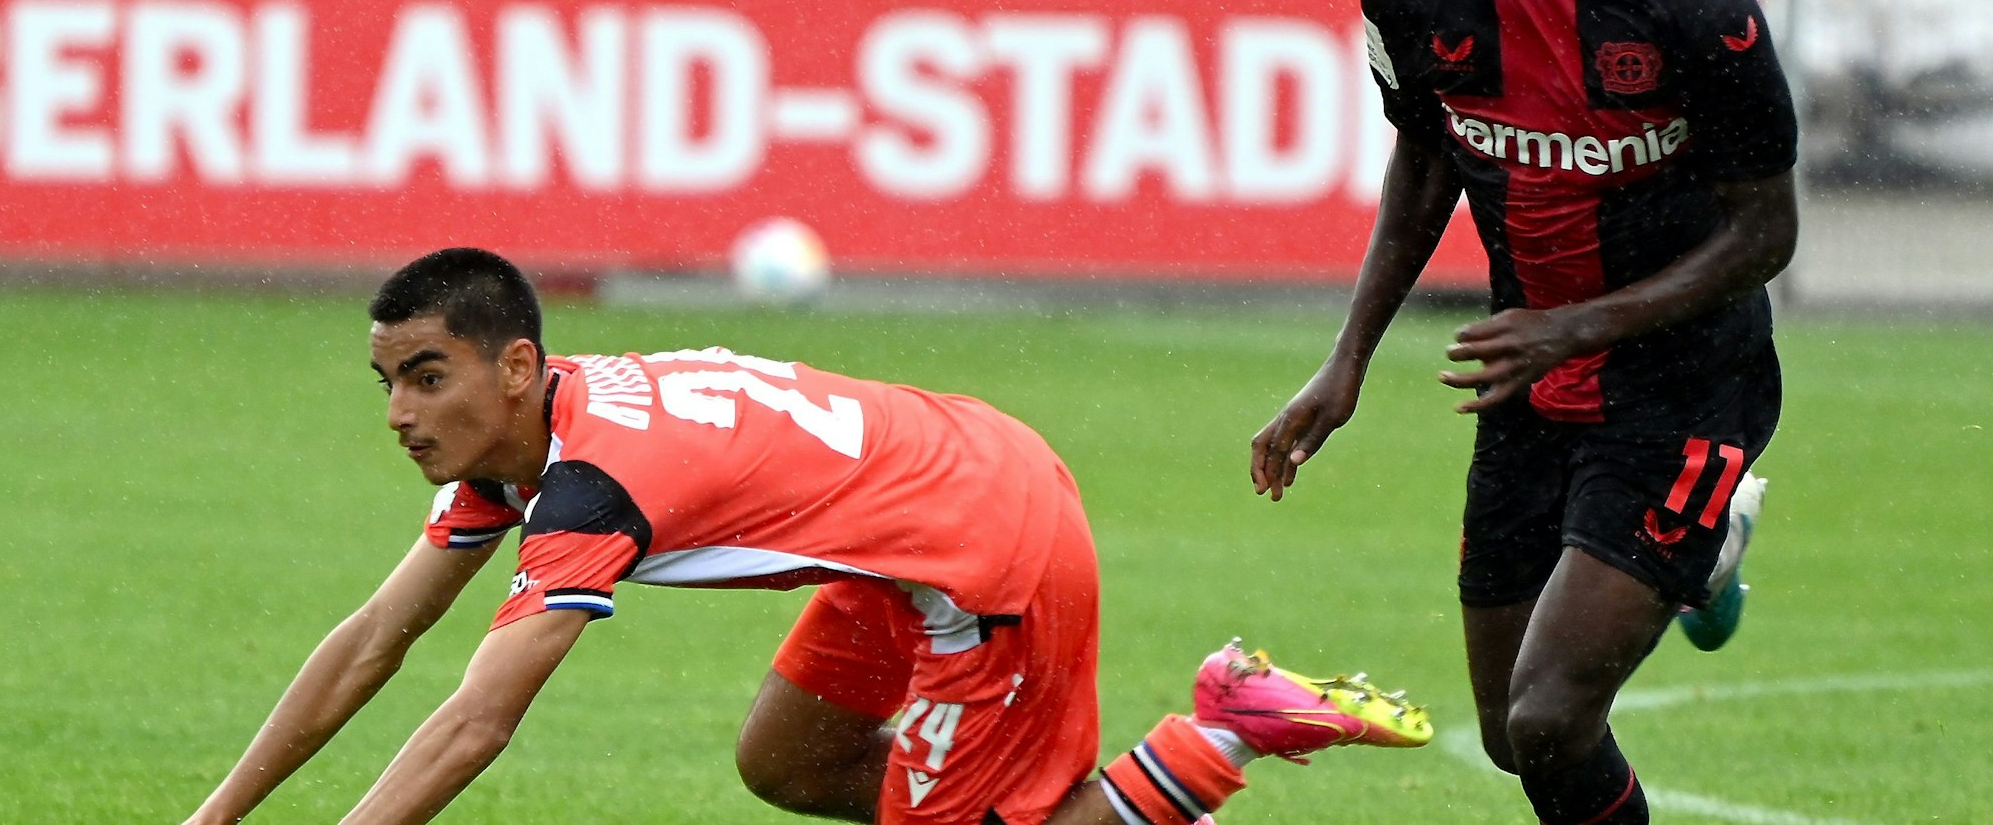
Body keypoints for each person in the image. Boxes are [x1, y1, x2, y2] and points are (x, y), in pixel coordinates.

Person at [185, 247, 1431, 825]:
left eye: (425, 378)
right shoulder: (527, 443)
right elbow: (372, 643)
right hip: (907, 509)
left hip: (977, 544)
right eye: (388, 382)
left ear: (516, 366)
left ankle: (1218, 730)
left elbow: (476, 719)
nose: (401, 413)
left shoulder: (587, 488)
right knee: (784, 765)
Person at [1249, 0, 1796, 825]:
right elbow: (1424, 161)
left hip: (1683, 389)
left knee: (1551, 715)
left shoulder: (1693, 4)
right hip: (1528, 384)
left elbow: (1764, 236)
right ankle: (1713, 550)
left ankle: (1707, 517)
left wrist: (1580, 324)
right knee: (1510, 735)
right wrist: (1343, 361)